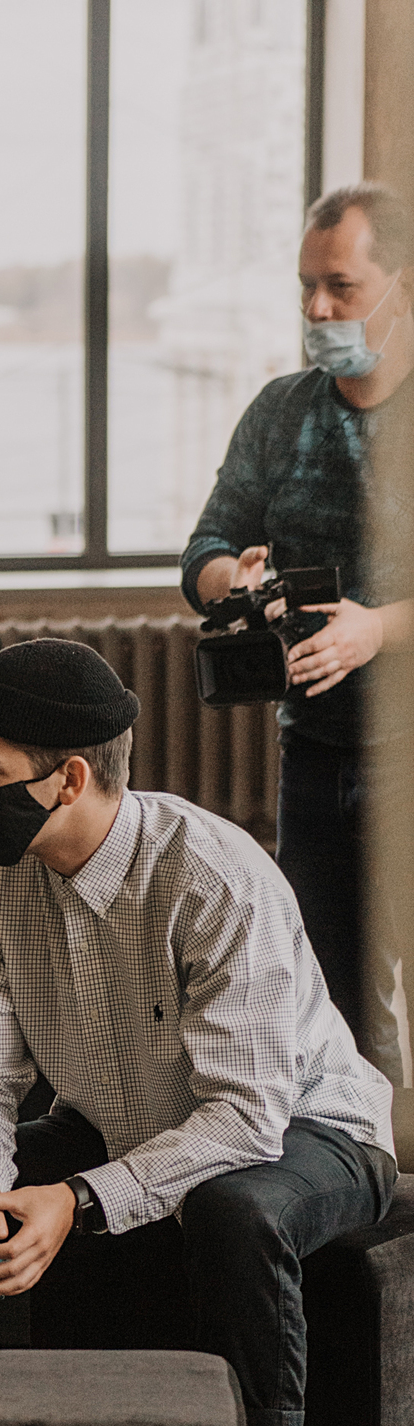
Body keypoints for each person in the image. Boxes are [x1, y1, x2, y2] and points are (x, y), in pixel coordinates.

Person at [0, 640, 395, 1426]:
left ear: (68, 778)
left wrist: (76, 1201)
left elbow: (244, 1116)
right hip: (119, 1123)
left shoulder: (213, 875)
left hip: (307, 1126)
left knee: (235, 1213)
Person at [181, 182, 414, 1083]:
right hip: (313, 754)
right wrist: (232, 582)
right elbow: (205, 548)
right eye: (306, 286)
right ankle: (364, 1156)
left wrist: (376, 631)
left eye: (341, 287)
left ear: (402, 286)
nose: (318, 309)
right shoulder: (281, 412)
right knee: (332, 1009)